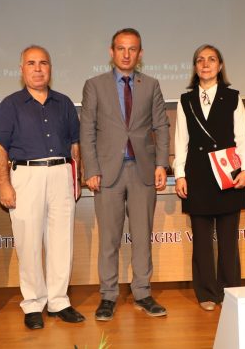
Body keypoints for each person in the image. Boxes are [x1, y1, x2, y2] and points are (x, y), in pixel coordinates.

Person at [0, 46, 84, 330]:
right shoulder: (10, 105)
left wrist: (76, 177)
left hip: (61, 174)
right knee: (28, 242)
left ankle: (58, 301)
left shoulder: (64, 103)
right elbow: (0, 147)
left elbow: (75, 144)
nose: (38, 68)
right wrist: (4, 184)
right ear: (22, 69)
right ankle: (32, 303)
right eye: (31, 63)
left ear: (50, 68)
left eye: (43, 63)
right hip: (26, 176)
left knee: (61, 241)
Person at [80, 28, 170, 321]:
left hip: (143, 171)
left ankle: (142, 293)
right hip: (107, 173)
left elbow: (161, 126)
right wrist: (91, 169)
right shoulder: (94, 85)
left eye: (132, 49)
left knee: (142, 236)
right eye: (121, 48)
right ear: (112, 52)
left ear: (140, 53)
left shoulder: (151, 85)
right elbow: (87, 130)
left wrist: (161, 164)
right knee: (109, 238)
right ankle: (108, 296)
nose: (126, 54)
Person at [173, 44, 245, 311]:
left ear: (220, 66)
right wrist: (180, 174)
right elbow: (181, 141)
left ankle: (230, 292)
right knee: (202, 241)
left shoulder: (232, 97)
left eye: (211, 59)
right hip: (198, 176)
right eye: (200, 60)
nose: (205, 64)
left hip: (229, 174)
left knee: (229, 240)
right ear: (195, 67)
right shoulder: (186, 100)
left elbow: (243, 137)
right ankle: (206, 292)